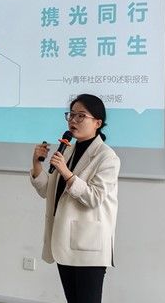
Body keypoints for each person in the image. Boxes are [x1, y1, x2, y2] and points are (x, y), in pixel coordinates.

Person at [30, 94, 120, 303]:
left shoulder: (107, 157)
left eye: (81, 116)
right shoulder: (67, 151)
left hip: (88, 246)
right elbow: (47, 192)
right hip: (63, 241)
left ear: (97, 123)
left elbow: (94, 198)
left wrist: (66, 172)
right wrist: (36, 164)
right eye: (71, 115)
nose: (73, 120)